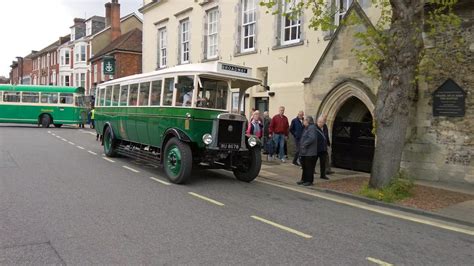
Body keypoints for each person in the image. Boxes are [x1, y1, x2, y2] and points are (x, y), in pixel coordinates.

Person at [297, 116, 318, 186]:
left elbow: (312, 138)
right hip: (305, 152)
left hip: (310, 152)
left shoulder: (312, 128)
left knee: (309, 167)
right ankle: (303, 180)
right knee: (305, 167)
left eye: (304, 120)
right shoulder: (307, 128)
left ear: (308, 121)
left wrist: (304, 144)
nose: (303, 121)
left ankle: (309, 181)